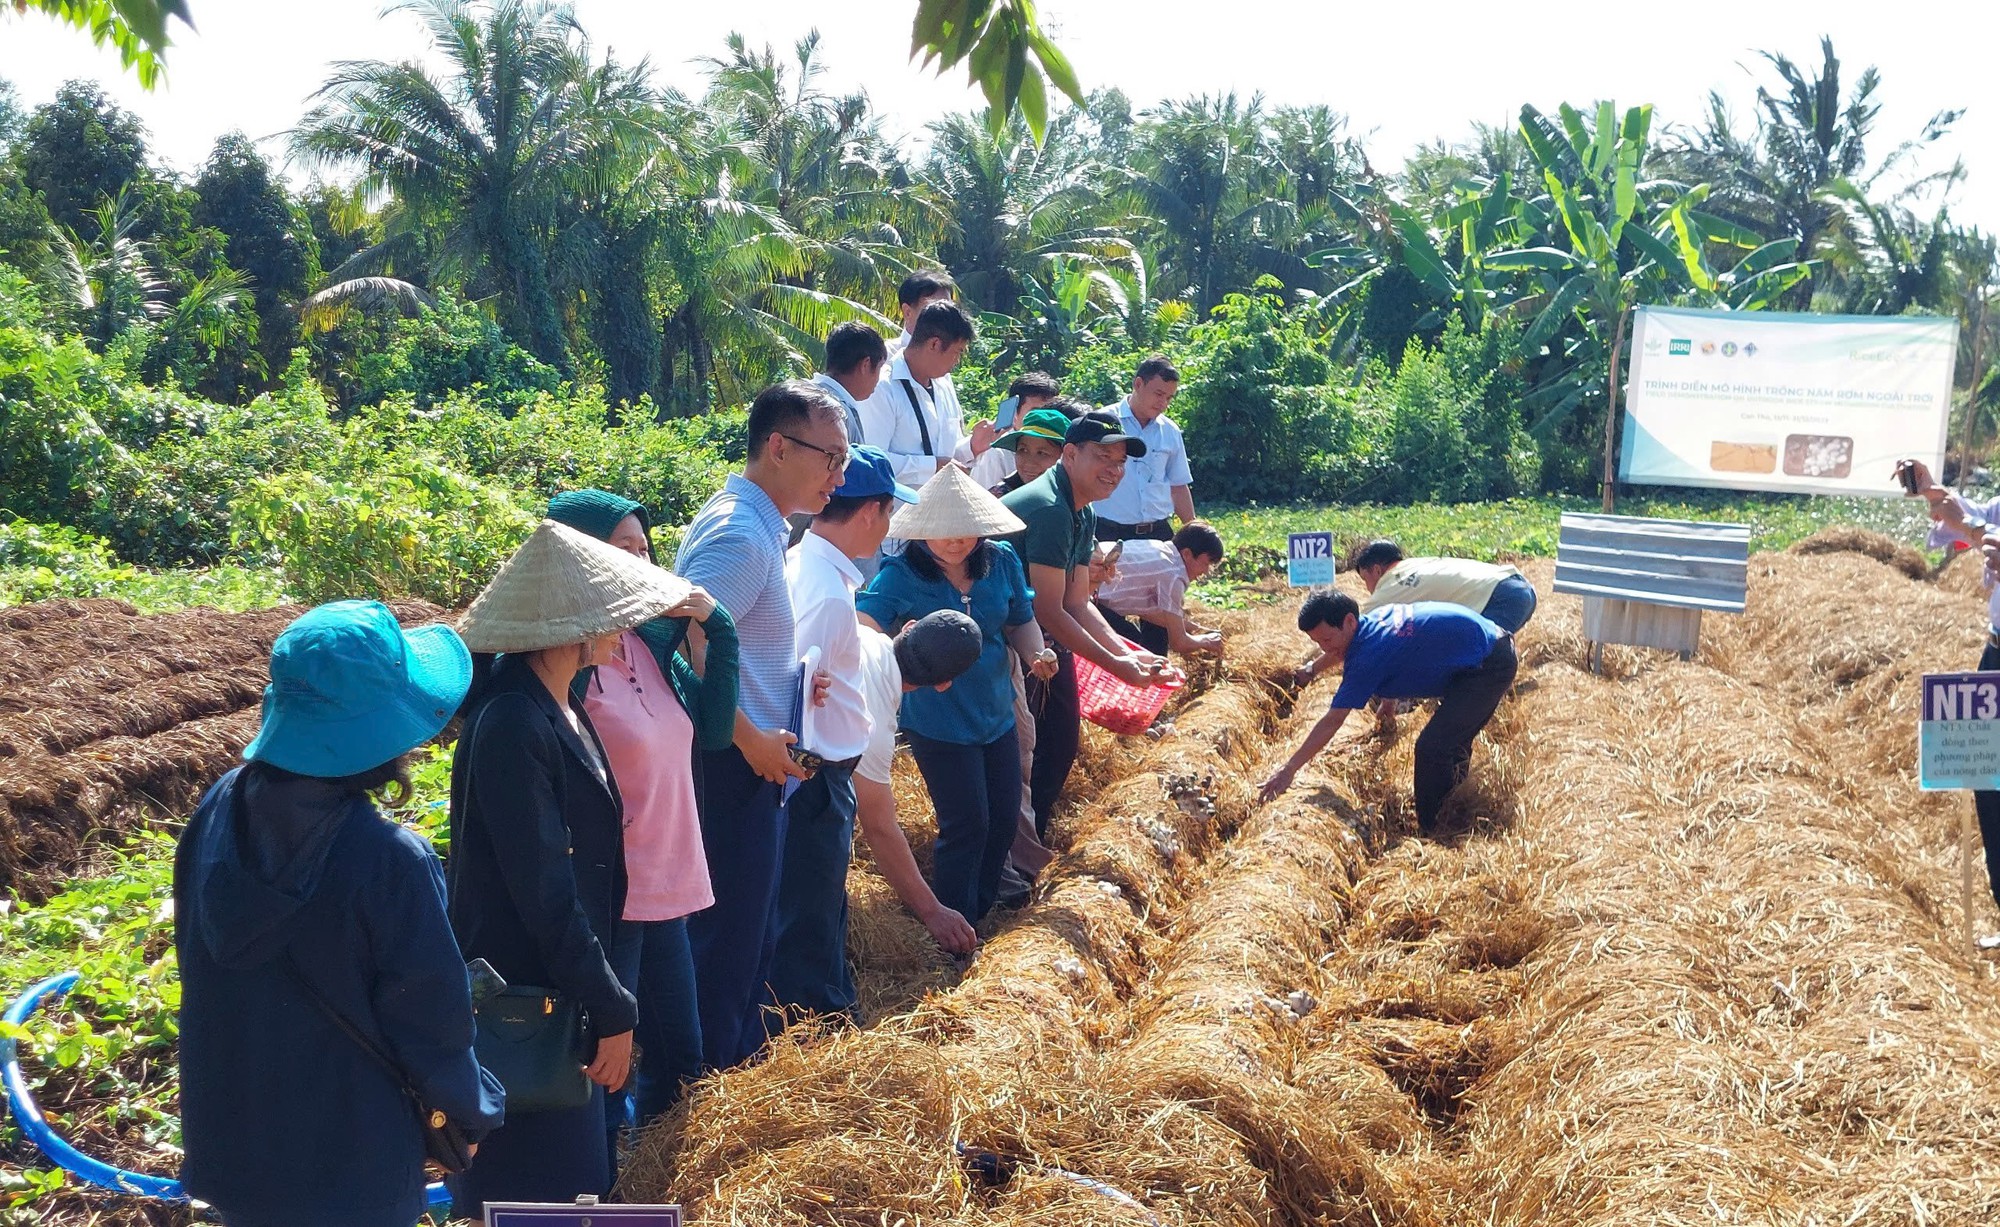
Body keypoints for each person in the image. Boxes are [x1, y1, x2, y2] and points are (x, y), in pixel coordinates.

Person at [176, 601, 504, 1227]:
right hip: (351, 1158)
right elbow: (432, 1021)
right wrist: (469, 1112)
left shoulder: (219, 806)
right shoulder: (389, 861)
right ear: (387, 731)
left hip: (236, 1142)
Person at [446, 520, 695, 1213]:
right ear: (565, 628)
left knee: (577, 1180)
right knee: (540, 1188)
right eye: (608, 617)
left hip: (561, 996)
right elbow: (545, 889)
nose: (622, 631)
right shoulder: (511, 725)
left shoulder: (558, 702)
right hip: (530, 1009)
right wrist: (611, 1002)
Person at [542, 490, 738, 1154]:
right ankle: (599, 1184)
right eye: (617, 548)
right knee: (604, 1062)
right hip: (611, 892)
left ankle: (654, 1180)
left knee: (680, 1053)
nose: (637, 561)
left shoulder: (644, 645)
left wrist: (722, 629)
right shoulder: (566, 666)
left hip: (665, 885)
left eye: (644, 549)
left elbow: (712, 731)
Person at [673, 381, 849, 1069]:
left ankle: (731, 1066)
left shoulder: (761, 523)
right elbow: (689, 639)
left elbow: (735, 640)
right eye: (829, 457)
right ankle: (706, 1089)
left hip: (753, 757)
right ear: (777, 446)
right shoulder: (741, 534)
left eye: (843, 458)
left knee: (747, 937)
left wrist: (791, 684)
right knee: (728, 940)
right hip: (733, 763)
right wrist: (747, 737)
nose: (838, 473)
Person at [858, 466, 1056, 923]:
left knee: (1004, 817)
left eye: (965, 531)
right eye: (941, 532)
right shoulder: (901, 574)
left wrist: (1034, 653)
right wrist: (894, 654)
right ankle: (953, 923)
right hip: (937, 719)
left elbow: (1019, 618)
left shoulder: (1001, 560)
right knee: (967, 824)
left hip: (995, 711)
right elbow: (864, 625)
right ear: (921, 531)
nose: (954, 541)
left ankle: (982, 914)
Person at [768, 446, 919, 1031]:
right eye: (887, 514)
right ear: (869, 515)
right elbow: (794, 684)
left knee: (811, 904)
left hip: (812, 769)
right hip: (815, 772)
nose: (887, 529)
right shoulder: (830, 595)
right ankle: (817, 1025)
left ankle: (818, 1011)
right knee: (811, 908)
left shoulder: (810, 564)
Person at [1002, 410, 1174, 838]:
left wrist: (1129, 654)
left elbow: (1077, 602)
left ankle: (1027, 842)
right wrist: (1119, 668)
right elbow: (1050, 610)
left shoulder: (1082, 511)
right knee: (1041, 746)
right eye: (1103, 458)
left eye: (1120, 463)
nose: (1114, 471)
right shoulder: (1049, 509)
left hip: (1031, 633)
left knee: (1057, 743)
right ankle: (1018, 851)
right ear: (1071, 455)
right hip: (1007, 636)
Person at [1258, 591, 1517, 839]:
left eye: (1326, 640)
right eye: (1317, 642)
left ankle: (1436, 830)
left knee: (1432, 747)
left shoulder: (1367, 656)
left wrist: (1289, 769)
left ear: (1348, 621)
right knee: (1450, 740)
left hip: (1488, 664)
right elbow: (1400, 651)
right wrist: (1316, 670)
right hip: (1487, 644)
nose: (1324, 647)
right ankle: (1455, 805)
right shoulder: (1371, 623)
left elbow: (1333, 720)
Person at [1898, 456, 2000, 947]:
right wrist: (1932, 489)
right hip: (1996, 654)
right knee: (1988, 782)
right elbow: (1971, 514)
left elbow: (1977, 529)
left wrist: (1973, 529)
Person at [853, 611, 986, 955]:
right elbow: (879, 826)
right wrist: (933, 911)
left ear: (909, 627)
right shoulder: (874, 725)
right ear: (943, 685)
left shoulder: (860, 634)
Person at [1295, 541, 1538, 688]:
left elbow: (1354, 636)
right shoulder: (1416, 565)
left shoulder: (1391, 585)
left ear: (1377, 569)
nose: (1368, 588)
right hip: (1520, 587)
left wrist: (1312, 669)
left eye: (1365, 579)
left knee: (1478, 669)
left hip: (1501, 598)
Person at [857, 299, 982, 488]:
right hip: (898, 514)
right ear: (934, 344)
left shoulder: (944, 384)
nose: (957, 361)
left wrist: (972, 446)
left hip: (941, 509)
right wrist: (932, 467)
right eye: (957, 352)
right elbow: (871, 460)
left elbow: (945, 454)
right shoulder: (882, 387)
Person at [1093, 355, 1194, 543]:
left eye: (1169, 398)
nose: (1163, 404)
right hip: (1107, 533)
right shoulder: (1101, 422)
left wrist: (1195, 532)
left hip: (1158, 534)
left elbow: (1178, 486)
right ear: (1138, 384)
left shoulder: (1170, 431)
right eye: (1158, 394)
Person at [1093, 520, 1227, 658]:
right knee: (1130, 645)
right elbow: (1179, 643)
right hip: (1088, 596)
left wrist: (1200, 630)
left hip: (1083, 579)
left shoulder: (1161, 548)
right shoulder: (1174, 575)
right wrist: (1206, 642)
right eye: (1205, 563)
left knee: (1130, 639)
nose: (1206, 571)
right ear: (1187, 554)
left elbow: (1153, 614)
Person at [968, 371, 1062, 490]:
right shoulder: (996, 452)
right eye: (1035, 412)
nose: (1043, 418)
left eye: (1050, 412)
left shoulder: (1062, 447)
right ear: (1015, 411)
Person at [814, 321, 889, 442]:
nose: (878, 379)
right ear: (865, 365)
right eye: (879, 367)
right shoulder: (838, 414)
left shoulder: (799, 395)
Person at [987, 405, 1074, 498]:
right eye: (1023, 450)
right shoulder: (1000, 498)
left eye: (1042, 453)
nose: (1029, 463)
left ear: (1066, 456)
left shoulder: (1075, 498)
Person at [885, 268, 957, 360]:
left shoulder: (946, 359)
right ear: (908, 312)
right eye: (933, 310)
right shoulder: (886, 358)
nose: (943, 316)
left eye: (948, 309)